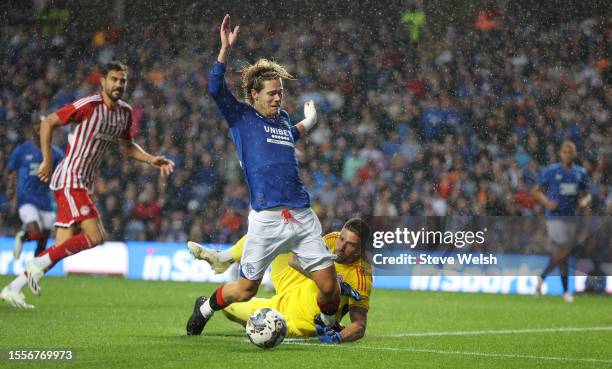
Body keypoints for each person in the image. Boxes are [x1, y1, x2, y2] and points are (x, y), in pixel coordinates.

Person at [186, 15, 341, 335]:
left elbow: (287, 138)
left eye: (280, 92)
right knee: (245, 291)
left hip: (300, 213)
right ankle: (205, 307)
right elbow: (215, 89)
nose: (278, 97)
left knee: (330, 287)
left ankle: (327, 326)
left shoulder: (283, 120)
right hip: (267, 219)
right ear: (253, 95)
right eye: (271, 93)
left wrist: (307, 124)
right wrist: (224, 51)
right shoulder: (241, 117)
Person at [1, 61, 175, 309]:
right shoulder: (88, 105)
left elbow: (127, 146)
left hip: (83, 183)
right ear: (103, 81)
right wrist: (47, 160)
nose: (118, 85)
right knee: (96, 236)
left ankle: (12, 288)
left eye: (122, 81)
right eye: (114, 79)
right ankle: (36, 264)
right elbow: (48, 122)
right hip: (71, 178)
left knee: (61, 248)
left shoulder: (124, 113)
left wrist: (151, 159)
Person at [188, 218, 372, 343]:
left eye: (350, 244)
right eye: (341, 239)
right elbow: (295, 259)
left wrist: (339, 337)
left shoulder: (361, 276)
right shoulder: (332, 240)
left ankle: (204, 306)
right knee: (278, 229)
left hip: (297, 320)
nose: (340, 247)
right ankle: (224, 258)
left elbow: (359, 325)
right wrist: (332, 283)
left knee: (228, 308)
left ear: (360, 250)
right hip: (292, 283)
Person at [532, 140, 591, 302]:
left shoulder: (580, 173)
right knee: (563, 250)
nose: (567, 155)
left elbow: (588, 193)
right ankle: (565, 291)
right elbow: (536, 190)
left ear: (574, 154)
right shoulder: (552, 171)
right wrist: (547, 203)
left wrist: (584, 201)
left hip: (571, 217)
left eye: (570, 152)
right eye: (565, 152)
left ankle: (542, 278)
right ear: (560, 153)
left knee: (561, 253)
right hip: (555, 217)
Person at [7, 118, 64, 259]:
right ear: (31, 129)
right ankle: (22, 236)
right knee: (36, 231)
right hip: (26, 198)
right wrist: (11, 189)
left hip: (45, 200)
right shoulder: (22, 150)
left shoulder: (55, 153)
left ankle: (36, 266)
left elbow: (63, 172)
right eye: (37, 126)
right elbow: (11, 171)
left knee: (43, 237)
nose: (40, 130)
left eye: (43, 127)